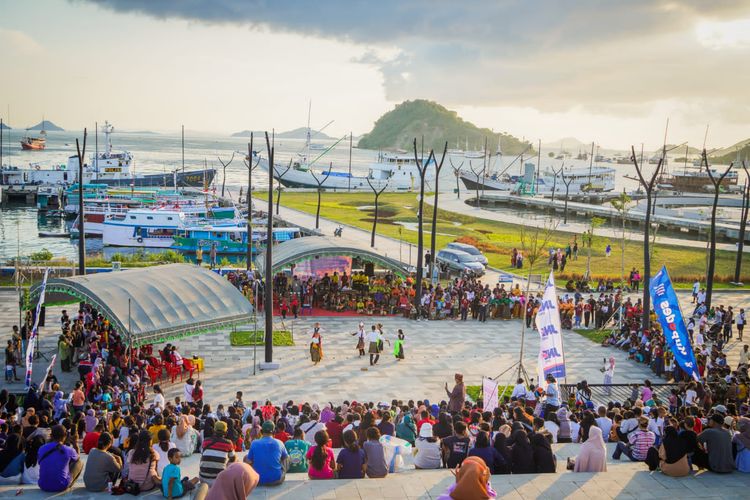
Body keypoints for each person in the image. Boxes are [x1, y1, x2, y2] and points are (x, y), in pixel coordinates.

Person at [38, 424, 83, 493]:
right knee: (79, 462)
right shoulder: (69, 450)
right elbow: (77, 458)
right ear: (65, 435)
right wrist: (75, 443)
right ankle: (68, 484)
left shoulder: (42, 448)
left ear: (51, 436)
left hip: (43, 485)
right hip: (61, 486)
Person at [245, 420, 288, 486]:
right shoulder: (279, 442)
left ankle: (253, 476)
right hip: (276, 480)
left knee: (246, 457)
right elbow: (285, 458)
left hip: (258, 480)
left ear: (261, 431)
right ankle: (280, 473)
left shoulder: (255, 443)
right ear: (274, 432)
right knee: (285, 457)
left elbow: (249, 461)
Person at [199, 421, 237, 485]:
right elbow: (233, 458)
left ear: (214, 430)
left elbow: (203, 453)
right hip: (218, 479)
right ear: (226, 432)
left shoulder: (206, 441)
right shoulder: (228, 443)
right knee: (234, 459)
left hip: (203, 478)